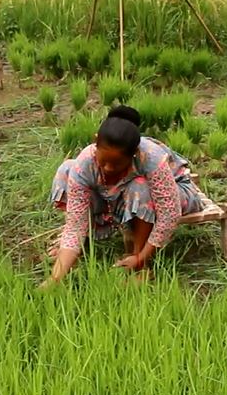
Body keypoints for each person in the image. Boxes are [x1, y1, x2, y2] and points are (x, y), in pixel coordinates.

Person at [40, 107, 208, 288]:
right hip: (115, 195)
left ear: (134, 152)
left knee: (140, 187)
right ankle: (76, 252)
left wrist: (140, 257)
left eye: (117, 163)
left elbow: (169, 213)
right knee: (67, 168)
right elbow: (75, 225)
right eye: (103, 161)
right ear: (95, 142)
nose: (109, 168)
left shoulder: (151, 157)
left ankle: (141, 265)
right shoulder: (85, 163)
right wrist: (54, 279)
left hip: (176, 195)